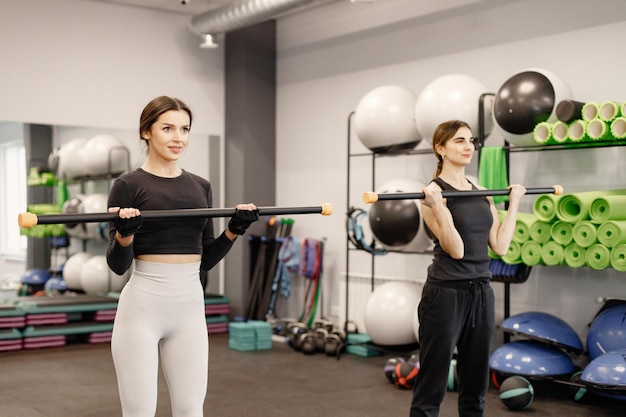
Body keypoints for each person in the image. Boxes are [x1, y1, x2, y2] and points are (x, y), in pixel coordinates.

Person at [106, 96, 259, 417]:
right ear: (146, 132)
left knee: (191, 410)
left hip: (189, 307)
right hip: (142, 309)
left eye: (185, 129)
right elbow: (118, 265)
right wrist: (125, 234)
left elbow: (204, 260)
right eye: (168, 128)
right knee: (139, 413)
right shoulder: (127, 185)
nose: (179, 138)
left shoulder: (200, 186)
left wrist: (234, 230)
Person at [409, 120, 526, 417]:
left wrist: (513, 203)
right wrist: (439, 206)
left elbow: (499, 246)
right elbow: (457, 249)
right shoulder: (431, 194)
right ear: (441, 149)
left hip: (482, 294)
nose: (468, 147)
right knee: (432, 385)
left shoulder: (482, 191)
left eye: (470, 141)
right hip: (445, 294)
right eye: (459, 141)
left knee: (475, 385)